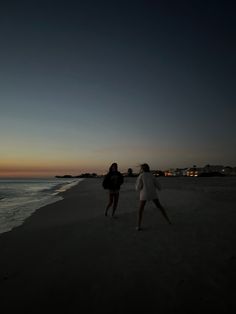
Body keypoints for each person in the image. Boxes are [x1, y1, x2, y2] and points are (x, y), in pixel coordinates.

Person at [135, 163, 171, 230]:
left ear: (142, 169)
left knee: (140, 210)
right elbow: (158, 185)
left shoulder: (141, 176)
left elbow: (138, 187)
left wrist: (139, 188)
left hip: (144, 194)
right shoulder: (152, 175)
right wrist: (159, 188)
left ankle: (138, 225)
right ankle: (168, 221)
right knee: (160, 207)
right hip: (152, 193)